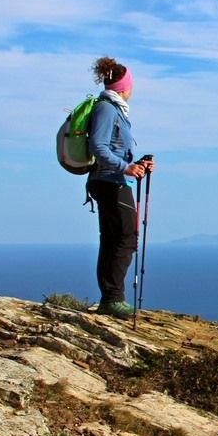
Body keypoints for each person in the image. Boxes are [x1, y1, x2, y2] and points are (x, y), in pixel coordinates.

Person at [86, 57, 154, 318]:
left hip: (109, 179)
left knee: (113, 238)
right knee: (127, 236)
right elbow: (99, 147)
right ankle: (113, 299)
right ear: (125, 86)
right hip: (110, 181)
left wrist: (137, 165)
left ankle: (109, 298)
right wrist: (125, 168)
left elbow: (110, 149)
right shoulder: (108, 109)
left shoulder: (114, 109)